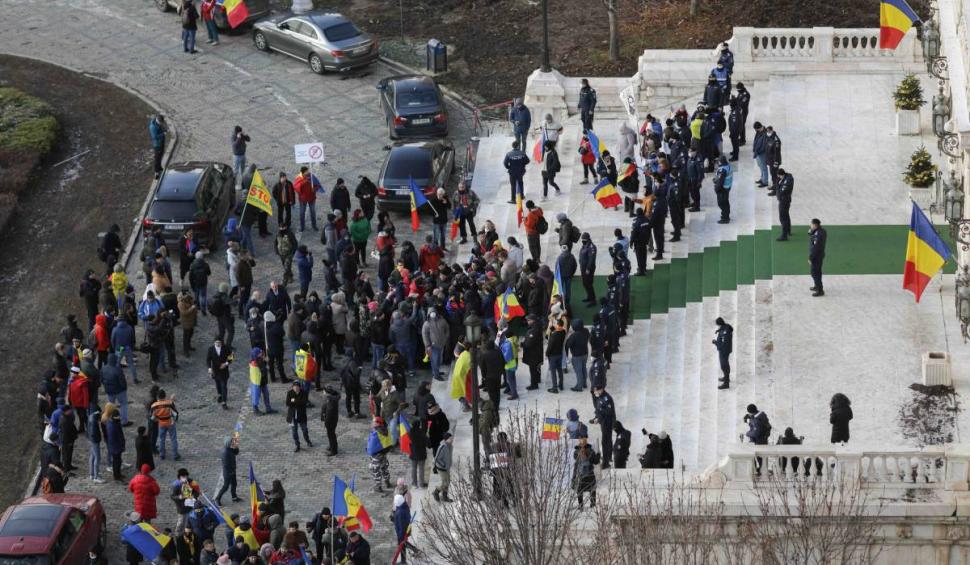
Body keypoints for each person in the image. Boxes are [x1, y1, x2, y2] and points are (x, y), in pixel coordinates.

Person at [573, 431, 600, 507]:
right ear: (586, 439)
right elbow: (596, 462)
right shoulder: (590, 450)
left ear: (579, 440)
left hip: (580, 474)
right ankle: (593, 504)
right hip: (590, 474)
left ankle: (581, 505)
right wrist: (598, 455)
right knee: (592, 489)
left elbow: (576, 461)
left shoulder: (576, 451)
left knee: (580, 490)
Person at [151, 389, 180, 460]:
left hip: (161, 423)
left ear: (158, 396)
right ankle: (175, 455)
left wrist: (158, 420)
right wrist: (175, 420)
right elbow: (175, 413)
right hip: (170, 422)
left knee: (161, 439)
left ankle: (162, 454)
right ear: (165, 395)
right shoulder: (169, 403)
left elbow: (152, 417)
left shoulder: (154, 405)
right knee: (173, 439)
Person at [591, 386, 615, 468]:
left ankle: (605, 463)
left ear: (601, 390)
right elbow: (598, 409)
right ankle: (609, 457)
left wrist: (599, 418)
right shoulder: (599, 396)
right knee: (608, 440)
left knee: (605, 442)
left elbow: (608, 413)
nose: (595, 393)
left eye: (596, 391)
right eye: (594, 391)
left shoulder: (606, 399)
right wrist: (597, 418)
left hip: (607, 423)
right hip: (603, 422)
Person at [286, 381, 312, 453]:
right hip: (292, 415)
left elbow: (304, 402)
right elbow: (288, 403)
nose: (296, 388)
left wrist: (293, 401)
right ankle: (297, 445)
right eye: (294, 387)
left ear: (300, 387)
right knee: (294, 432)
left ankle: (308, 441)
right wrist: (297, 402)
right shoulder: (290, 393)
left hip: (301, 415)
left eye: (297, 387)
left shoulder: (304, 393)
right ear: (292, 387)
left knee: (305, 430)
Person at [207, 337, 232, 409]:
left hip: (224, 371)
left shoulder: (226, 348)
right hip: (215, 370)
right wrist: (209, 368)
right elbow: (208, 359)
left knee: (224, 386)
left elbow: (231, 357)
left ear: (221, 342)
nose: (218, 344)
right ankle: (220, 395)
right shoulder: (211, 349)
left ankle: (224, 402)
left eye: (219, 342)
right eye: (216, 342)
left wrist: (226, 364)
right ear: (214, 343)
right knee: (218, 384)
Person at [215, 435, 240, 505]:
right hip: (228, 472)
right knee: (226, 486)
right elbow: (226, 465)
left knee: (234, 484)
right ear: (228, 443)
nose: (234, 442)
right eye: (232, 441)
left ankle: (234, 497)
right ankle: (217, 498)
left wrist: (236, 447)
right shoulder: (225, 452)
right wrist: (231, 471)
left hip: (232, 470)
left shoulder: (230, 448)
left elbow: (236, 452)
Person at [103, 404, 126, 481]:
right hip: (116, 447)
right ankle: (117, 475)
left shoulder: (110, 423)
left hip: (113, 446)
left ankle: (117, 474)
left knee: (116, 461)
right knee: (117, 462)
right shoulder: (115, 426)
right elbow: (119, 437)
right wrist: (122, 445)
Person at [566, 319, 590, 391]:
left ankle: (579, 386)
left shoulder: (574, 335)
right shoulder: (586, 331)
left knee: (578, 371)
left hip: (577, 355)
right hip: (585, 353)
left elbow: (568, 344)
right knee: (583, 368)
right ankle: (584, 383)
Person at [431, 432, 453, 502]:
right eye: (450, 438)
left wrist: (448, 465)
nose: (452, 439)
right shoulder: (442, 447)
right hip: (441, 468)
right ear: (446, 439)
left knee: (448, 482)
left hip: (447, 467)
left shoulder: (450, 446)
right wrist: (443, 465)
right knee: (444, 482)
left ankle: (445, 496)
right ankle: (436, 492)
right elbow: (437, 458)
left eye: (451, 438)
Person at [546, 318, 566, 393]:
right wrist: (552, 329)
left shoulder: (554, 335)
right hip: (559, 353)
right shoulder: (563, 332)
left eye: (555, 323)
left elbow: (550, 345)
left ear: (557, 325)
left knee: (553, 371)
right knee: (560, 370)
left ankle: (554, 388)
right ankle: (561, 385)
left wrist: (547, 353)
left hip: (553, 355)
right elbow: (558, 330)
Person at [809, 218, 827, 297]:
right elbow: (811, 234)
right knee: (817, 272)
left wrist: (810, 258)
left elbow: (815, 247)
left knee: (814, 273)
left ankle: (820, 290)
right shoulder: (822, 231)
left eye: (811, 224)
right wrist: (812, 231)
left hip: (816, 256)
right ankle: (817, 286)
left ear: (815, 225)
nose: (810, 226)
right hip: (820, 255)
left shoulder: (817, 235)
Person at [714, 317, 733, 390]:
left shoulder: (725, 333)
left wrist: (715, 342)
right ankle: (726, 377)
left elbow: (723, 344)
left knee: (724, 366)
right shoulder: (726, 326)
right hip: (724, 350)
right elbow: (724, 329)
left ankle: (726, 383)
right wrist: (718, 330)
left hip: (724, 351)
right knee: (725, 365)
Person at [713, 155, 733, 224]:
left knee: (722, 203)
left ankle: (725, 218)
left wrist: (716, 189)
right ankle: (726, 216)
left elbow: (720, 182)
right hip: (727, 187)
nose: (717, 163)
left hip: (722, 189)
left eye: (718, 161)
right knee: (726, 202)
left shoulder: (722, 170)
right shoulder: (728, 166)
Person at [776, 168, 794, 241]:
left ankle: (784, 235)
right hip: (785, 200)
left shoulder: (787, 181)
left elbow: (781, 191)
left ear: (781, 175)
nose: (779, 178)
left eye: (779, 176)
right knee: (786, 215)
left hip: (784, 200)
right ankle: (788, 230)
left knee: (783, 218)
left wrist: (777, 188)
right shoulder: (787, 178)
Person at [321, 385, 340, 455]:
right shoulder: (333, 397)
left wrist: (326, 421)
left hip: (330, 421)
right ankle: (332, 446)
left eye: (324, 391)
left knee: (331, 435)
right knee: (332, 434)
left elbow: (329, 412)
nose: (323, 392)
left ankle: (333, 450)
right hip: (333, 419)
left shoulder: (329, 400)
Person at [765, 125, 782, 193]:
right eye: (767, 131)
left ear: (771, 130)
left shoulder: (776, 140)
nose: (767, 132)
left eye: (769, 131)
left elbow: (777, 152)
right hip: (770, 160)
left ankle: (776, 189)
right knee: (772, 174)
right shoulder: (769, 137)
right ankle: (774, 185)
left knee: (776, 175)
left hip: (774, 161)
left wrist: (776, 162)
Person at [752, 121, 769, 187]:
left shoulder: (765, 133)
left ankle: (765, 182)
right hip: (758, 153)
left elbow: (764, 145)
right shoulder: (758, 132)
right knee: (760, 166)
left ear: (759, 127)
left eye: (756, 129)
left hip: (762, 153)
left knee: (764, 167)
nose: (756, 130)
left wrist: (759, 151)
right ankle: (762, 179)